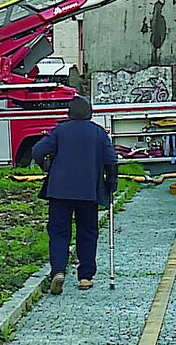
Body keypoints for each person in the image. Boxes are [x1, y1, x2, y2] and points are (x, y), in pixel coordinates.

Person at [33, 95, 117, 295]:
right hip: (88, 191)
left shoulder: (60, 130)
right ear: (90, 113)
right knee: (87, 232)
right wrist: (111, 185)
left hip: (59, 191)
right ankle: (85, 277)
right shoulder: (98, 133)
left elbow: (37, 151)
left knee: (59, 232)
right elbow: (111, 160)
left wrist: (46, 166)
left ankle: (58, 271)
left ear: (69, 113)